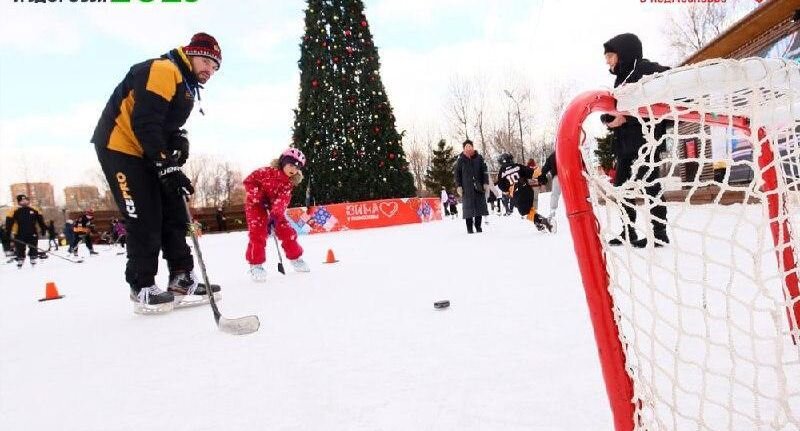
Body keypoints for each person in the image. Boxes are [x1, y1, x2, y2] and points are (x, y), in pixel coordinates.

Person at [91, 32, 223, 313]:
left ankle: (181, 278)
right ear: (190, 53)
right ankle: (142, 286)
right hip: (121, 147)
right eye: (206, 61)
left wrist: (179, 140)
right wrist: (166, 164)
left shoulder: (186, 85)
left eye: (215, 67)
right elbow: (146, 122)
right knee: (144, 216)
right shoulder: (164, 70)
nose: (210, 70)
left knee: (174, 210)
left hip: (147, 150)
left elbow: (165, 125)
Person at [601, 33, 670, 248]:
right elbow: (616, 109)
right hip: (624, 144)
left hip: (645, 141)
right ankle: (628, 231)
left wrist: (627, 117)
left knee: (650, 185)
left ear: (624, 53)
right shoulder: (620, 79)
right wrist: (609, 119)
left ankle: (659, 233)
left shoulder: (645, 69)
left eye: (610, 56)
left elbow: (667, 84)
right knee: (622, 188)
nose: (607, 61)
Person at [244, 148, 310, 282]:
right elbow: (248, 182)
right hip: (255, 207)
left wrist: (274, 217)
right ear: (283, 162)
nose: (293, 169)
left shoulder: (288, 184)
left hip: (274, 209)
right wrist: (259, 197)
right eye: (291, 165)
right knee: (258, 234)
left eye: (297, 167)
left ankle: (296, 258)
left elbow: (282, 201)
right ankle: (255, 265)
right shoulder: (265, 172)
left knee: (287, 232)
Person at [496, 153, 553, 232]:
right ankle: (538, 223)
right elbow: (532, 173)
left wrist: (507, 191)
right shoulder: (517, 166)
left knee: (524, 213)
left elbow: (501, 186)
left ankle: (542, 221)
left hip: (517, 194)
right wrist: (541, 177)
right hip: (527, 190)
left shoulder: (501, 172)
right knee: (530, 209)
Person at [454, 140, 489, 234]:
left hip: (478, 187)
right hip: (467, 188)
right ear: (464, 148)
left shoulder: (479, 158)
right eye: (466, 147)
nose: (468, 148)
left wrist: (485, 183)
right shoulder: (460, 160)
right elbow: (457, 174)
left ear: (473, 147)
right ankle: (469, 228)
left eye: (470, 146)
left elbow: (484, 171)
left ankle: (478, 227)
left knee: (479, 207)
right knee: (468, 209)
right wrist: (459, 186)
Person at [5, 194, 47, 268]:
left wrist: (43, 229)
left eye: (25, 200)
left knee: (33, 246)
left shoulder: (34, 209)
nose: (24, 202)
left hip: (32, 232)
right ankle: (20, 260)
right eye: (22, 201)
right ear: (19, 202)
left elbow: (41, 221)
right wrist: (8, 233)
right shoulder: (13, 211)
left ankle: (33, 258)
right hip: (19, 233)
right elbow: (9, 223)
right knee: (20, 248)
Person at [537, 151, 561, 220]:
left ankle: (553, 210)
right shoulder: (553, 156)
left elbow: (544, 169)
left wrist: (542, 181)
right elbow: (545, 169)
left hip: (558, 176)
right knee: (555, 193)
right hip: (564, 175)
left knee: (555, 194)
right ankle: (553, 210)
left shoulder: (553, 155)